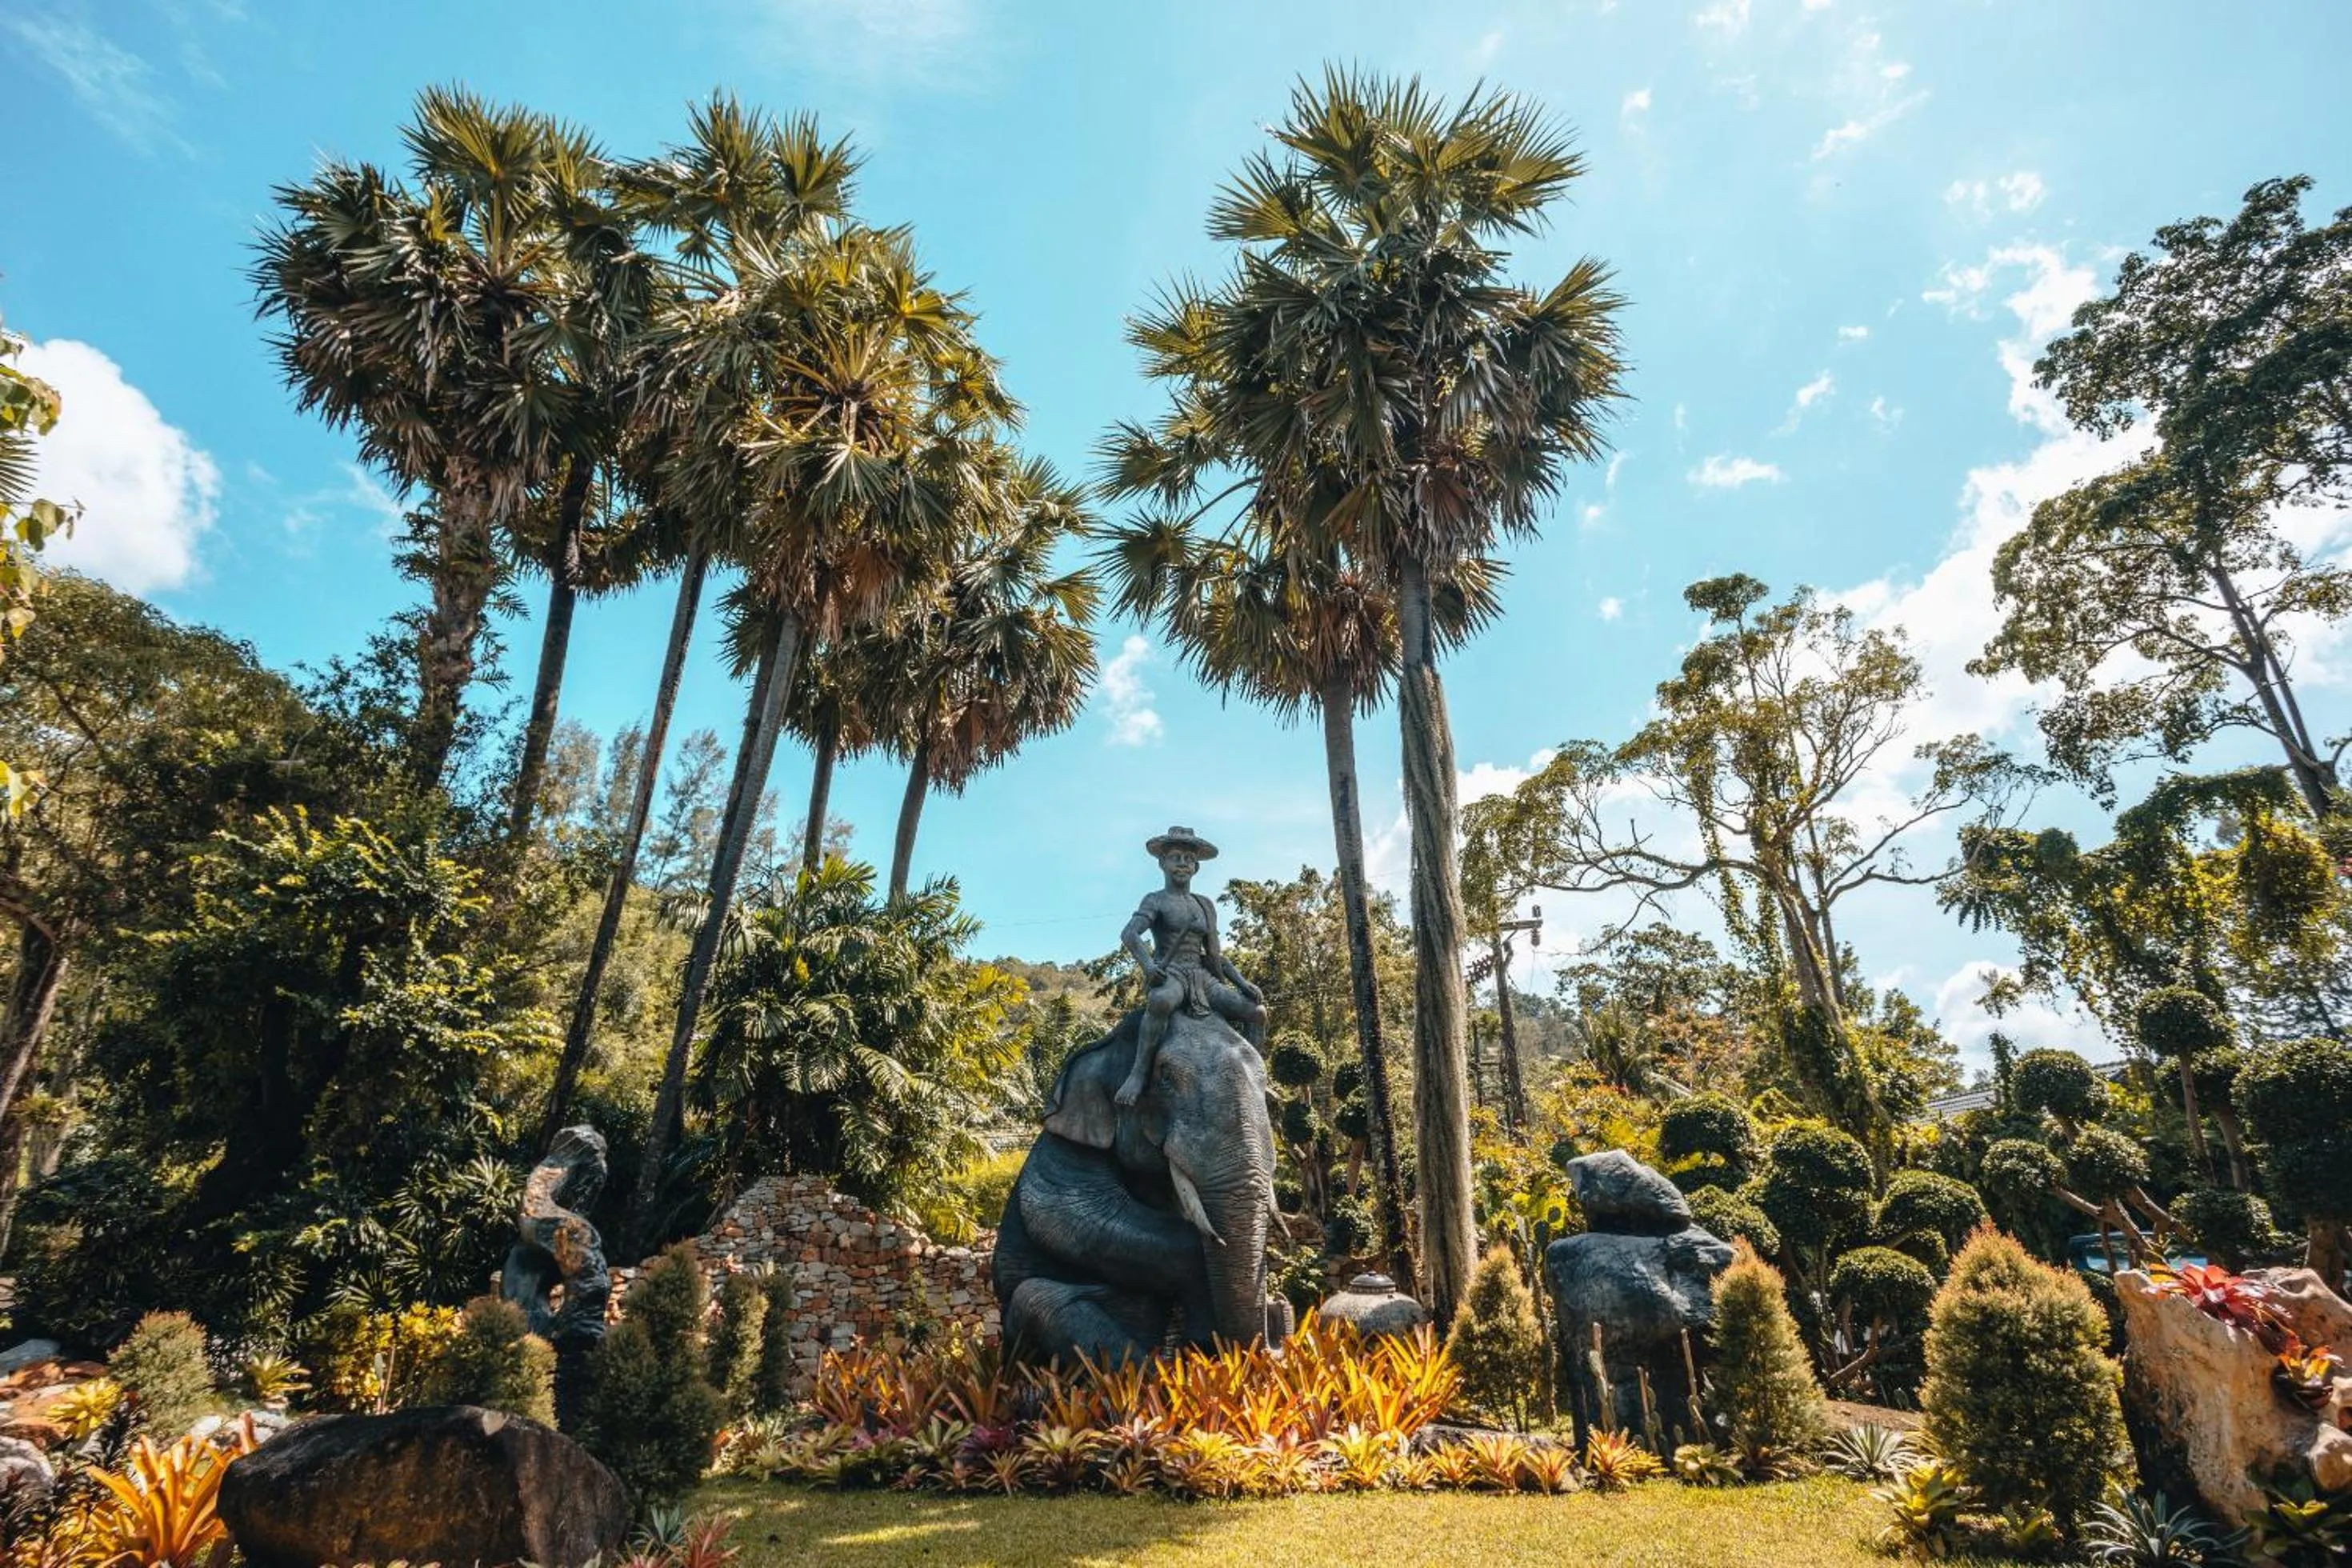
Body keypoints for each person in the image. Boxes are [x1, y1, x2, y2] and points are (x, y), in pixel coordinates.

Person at [1115, 826, 1267, 1107]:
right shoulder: (1155, 900)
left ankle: (1254, 1076)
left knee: (1256, 1012)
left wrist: (1241, 982)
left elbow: (1214, 955)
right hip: (1172, 973)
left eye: (1188, 859)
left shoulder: (1205, 905)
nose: (1183, 863)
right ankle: (1138, 1073)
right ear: (1162, 863)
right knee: (1160, 1002)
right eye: (1176, 857)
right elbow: (1130, 934)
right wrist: (1149, 966)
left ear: (1196, 867)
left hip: (1203, 977)